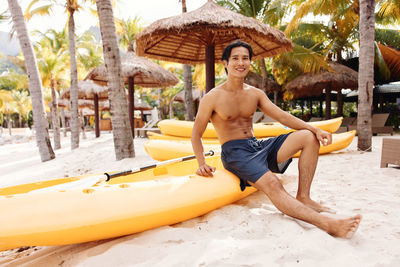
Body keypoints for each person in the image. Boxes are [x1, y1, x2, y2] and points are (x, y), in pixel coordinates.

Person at [191, 40, 361, 239]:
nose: (241, 63)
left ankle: (304, 196)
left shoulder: (255, 93)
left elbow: (282, 116)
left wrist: (315, 129)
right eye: (235, 58)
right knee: (272, 183)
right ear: (225, 64)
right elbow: (196, 134)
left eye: (245, 58)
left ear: (250, 62)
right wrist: (201, 163)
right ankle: (329, 225)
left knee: (308, 137)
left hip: (256, 146)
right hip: (235, 153)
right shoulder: (212, 97)